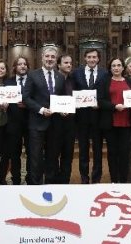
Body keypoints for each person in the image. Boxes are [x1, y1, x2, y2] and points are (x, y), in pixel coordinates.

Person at [23, 47, 65, 185]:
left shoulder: (60, 77)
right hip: (37, 123)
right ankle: (36, 186)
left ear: (56, 59)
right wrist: (40, 109)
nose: (50, 59)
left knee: (53, 157)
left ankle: (50, 185)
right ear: (42, 57)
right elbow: (26, 98)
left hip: (55, 123)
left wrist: (64, 109)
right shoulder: (32, 75)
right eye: (47, 56)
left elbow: (63, 98)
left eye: (53, 57)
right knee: (36, 157)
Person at [98, 58, 131, 183]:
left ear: (123, 68)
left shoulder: (130, 82)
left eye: (119, 65)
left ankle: (124, 180)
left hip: (126, 123)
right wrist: (114, 106)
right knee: (112, 153)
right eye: (113, 65)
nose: (116, 68)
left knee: (125, 154)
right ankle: (114, 180)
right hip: (111, 123)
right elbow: (101, 101)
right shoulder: (105, 82)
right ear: (110, 68)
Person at [72, 48, 107, 184]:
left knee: (98, 149)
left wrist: (100, 104)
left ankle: (96, 177)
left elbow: (106, 93)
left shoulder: (105, 73)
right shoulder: (76, 73)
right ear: (85, 58)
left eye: (94, 57)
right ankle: (84, 177)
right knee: (83, 149)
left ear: (98, 59)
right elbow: (72, 91)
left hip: (98, 117)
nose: (92, 59)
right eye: (89, 57)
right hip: (81, 118)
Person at [2, 56, 30, 185]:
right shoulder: (8, 82)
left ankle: (31, 179)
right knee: (14, 154)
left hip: (31, 122)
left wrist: (28, 104)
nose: (23, 66)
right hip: (13, 123)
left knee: (32, 153)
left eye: (25, 64)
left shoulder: (33, 80)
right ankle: (16, 180)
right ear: (14, 67)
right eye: (20, 64)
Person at [56, 55, 76, 184]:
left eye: (70, 63)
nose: (69, 65)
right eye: (66, 63)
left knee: (68, 155)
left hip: (70, 123)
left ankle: (65, 181)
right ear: (59, 65)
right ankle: (53, 181)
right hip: (55, 123)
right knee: (53, 154)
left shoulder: (73, 80)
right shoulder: (53, 79)